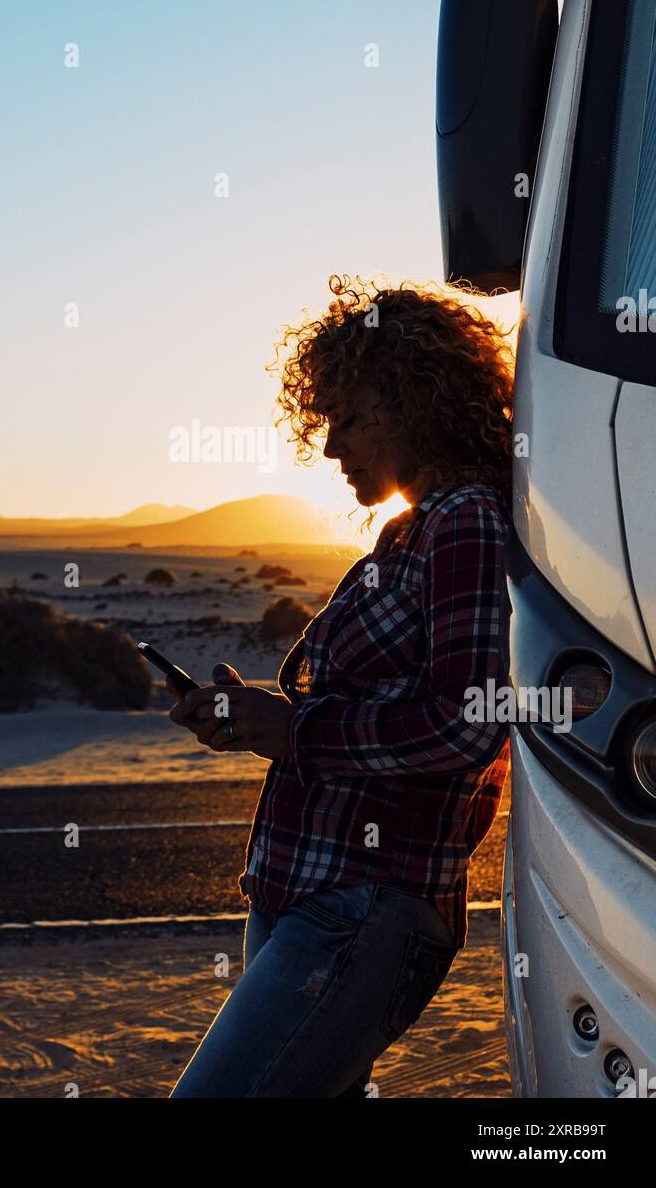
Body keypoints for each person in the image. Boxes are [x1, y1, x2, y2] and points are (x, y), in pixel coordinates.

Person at [167, 275, 516, 1098]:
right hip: (304, 892)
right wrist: (256, 717)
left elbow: (471, 724)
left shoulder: (466, 521)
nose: (329, 447)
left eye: (349, 418)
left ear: (417, 403)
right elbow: (370, 712)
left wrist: (293, 732)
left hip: (365, 909)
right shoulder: (410, 531)